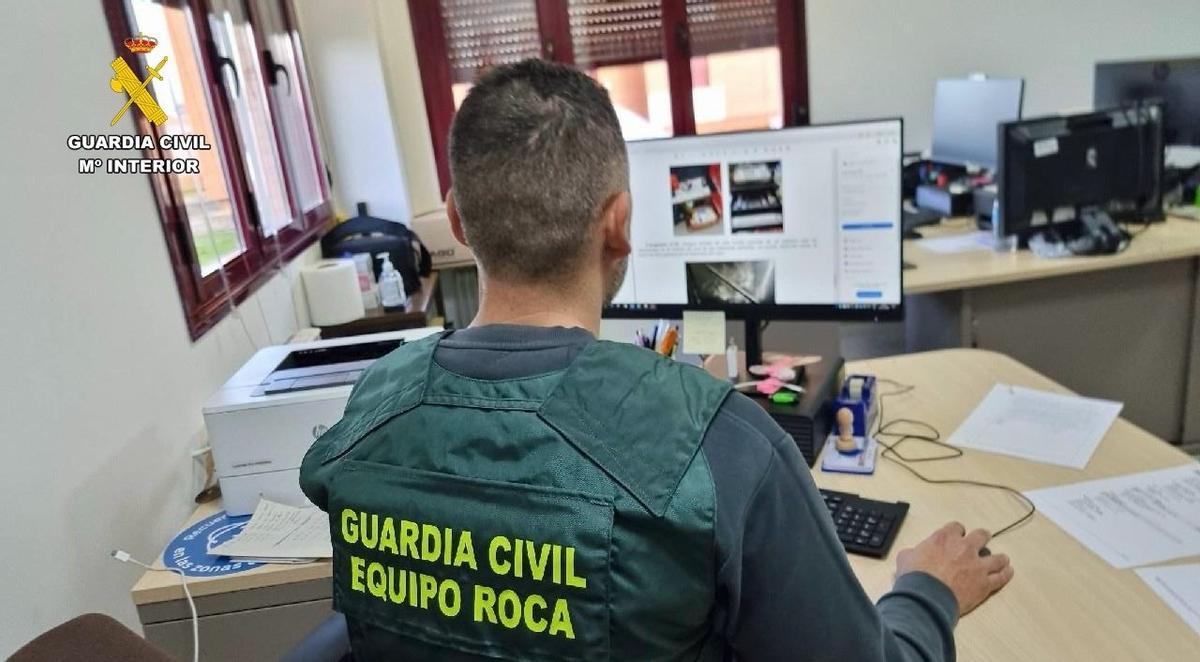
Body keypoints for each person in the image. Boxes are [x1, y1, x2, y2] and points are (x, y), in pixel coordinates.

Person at [298, 58, 1014, 661]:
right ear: (620, 223)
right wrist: (928, 591)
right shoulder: (721, 445)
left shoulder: (370, 408)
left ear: (457, 220)